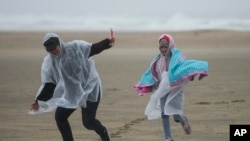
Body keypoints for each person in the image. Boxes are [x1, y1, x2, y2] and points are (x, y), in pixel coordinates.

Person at [29, 32, 115, 141]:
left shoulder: (75, 47)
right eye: (50, 50)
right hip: (73, 92)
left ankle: (103, 132)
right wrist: (38, 101)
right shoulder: (49, 62)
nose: (54, 51)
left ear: (59, 42)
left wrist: (108, 42)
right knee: (60, 117)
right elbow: (50, 85)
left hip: (90, 87)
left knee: (88, 122)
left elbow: (93, 48)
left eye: (55, 47)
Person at [134, 34, 208, 141]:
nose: (163, 49)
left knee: (176, 116)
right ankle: (168, 138)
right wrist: (143, 87)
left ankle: (183, 120)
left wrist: (195, 72)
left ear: (170, 46)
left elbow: (185, 67)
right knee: (164, 114)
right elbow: (150, 73)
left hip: (175, 89)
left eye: (165, 47)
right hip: (163, 89)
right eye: (161, 47)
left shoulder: (177, 57)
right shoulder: (157, 60)